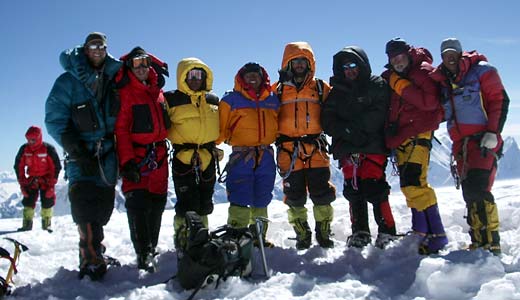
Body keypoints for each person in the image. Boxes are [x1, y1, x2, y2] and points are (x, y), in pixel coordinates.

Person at [45, 32, 122, 280]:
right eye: (92, 46)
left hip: (108, 157)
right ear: (85, 50)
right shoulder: (67, 82)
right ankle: (90, 259)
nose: (97, 50)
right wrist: (76, 149)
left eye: (102, 46)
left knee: (101, 210)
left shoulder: (114, 77)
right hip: (81, 156)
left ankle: (95, 250)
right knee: (84, 207)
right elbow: (55, 119)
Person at [430, 38, 509, 254]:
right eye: (445, 54)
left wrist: (493, 132)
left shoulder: (482, 72)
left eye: (453, 52)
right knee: (470, 192)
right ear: (442, 57)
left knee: (479, 188)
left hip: (483, 140)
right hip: (462, 146)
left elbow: (499, 100)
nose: (450, 57)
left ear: (460, 53)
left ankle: (491, 242)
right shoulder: (445, 82)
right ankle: (478, 240)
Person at [322, 46, 397, 249]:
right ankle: (360, 231)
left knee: (375, 186)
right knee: (353, 189)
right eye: (345, 66)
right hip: (349, 149)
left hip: (372, 146)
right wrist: (347, 131)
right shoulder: (336, 92)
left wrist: (350, 130)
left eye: (353, 65)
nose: (349, 70)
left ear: (362, 65)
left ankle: (387, 231)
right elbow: (326, 120)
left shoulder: (376, 85)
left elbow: (379, 112)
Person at [382, 38, 448, 254]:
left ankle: (437, 234)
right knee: (410, 184)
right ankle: (421, 229)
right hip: (404, 137)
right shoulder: (397, 76)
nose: (397, 62)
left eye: (400, 57)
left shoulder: (421, 72)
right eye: (393, 59)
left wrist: (399, 84)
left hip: (417, 134)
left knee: (415, 184)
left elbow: (429, 102)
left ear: (408, 55)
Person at [274, 42, 335, 249]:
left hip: (316, 148)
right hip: (288, 150)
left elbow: (339, 108)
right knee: (294, 197)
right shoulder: (278, 90)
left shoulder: (320, 87)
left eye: (303, 61)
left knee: (322, 194)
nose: (299, 65)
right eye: (295, 61)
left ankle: (323, 232)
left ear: (310, 64)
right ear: (288, 64)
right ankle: (302, 233)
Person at [114, 47, 170, 271]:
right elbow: (121, 130)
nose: (141, 68)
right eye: (137, 64)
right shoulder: (126, 93)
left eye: (145, 63)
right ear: (129, 67)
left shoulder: (157, 92)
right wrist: (126, 162)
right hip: (137, 158)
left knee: (157, 204)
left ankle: (152, 248)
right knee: (137, 205)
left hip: (159, 157)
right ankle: (143, 252)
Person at [217, 62, 279, 247]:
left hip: (266, 155)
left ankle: (258, 237)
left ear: (262, 78)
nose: (252, 78)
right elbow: (221, 127)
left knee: (262, 197)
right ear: (241, 78)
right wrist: (214, 145)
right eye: (248, 75)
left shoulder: (273, 100)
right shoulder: (230, 100)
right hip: (241, 156)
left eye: (256, 75)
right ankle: (237, 236)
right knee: (239, 196)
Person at [164, 57, 220, 255]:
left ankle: (201, 235)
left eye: (200, 74)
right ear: (182, 77)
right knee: (186, 202)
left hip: (207, 156)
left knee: (205, 201)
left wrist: (216, 147)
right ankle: (182, 236)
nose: (196, 79)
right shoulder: (170, 99)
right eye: (191, 74)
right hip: (183, 157)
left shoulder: (213, 100)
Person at [14, 126, 61, 231]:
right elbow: (18, 166)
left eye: (33, 139)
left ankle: (46, 225)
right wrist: (23, 183)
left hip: (46, 181)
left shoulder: (49, 149)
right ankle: (26, 225)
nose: (30, 142)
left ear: (39, 137)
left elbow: (56, 166)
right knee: (28, 201)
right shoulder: (24, 149)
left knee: (47, 201)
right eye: (28, 139)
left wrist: (52, 184)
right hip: (32, 180)